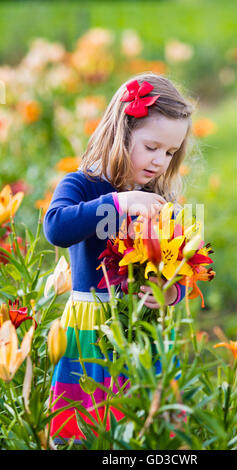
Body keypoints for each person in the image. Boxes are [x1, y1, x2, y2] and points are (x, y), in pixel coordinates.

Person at [43, 72, 194, 444]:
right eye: (152, 146)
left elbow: (180, 269)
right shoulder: (82, 185)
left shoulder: (161, 201)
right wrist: (117, 203)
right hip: (93, 327)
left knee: (144, 423)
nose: (160, 161)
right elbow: (56, 228)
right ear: (121, 132)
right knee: (89, 423)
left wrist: (168, 292)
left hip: (145, 331)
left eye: (170, 153)